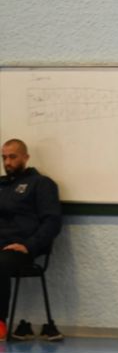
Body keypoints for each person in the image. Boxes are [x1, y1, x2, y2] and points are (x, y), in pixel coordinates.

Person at [0, 139, 63, 342]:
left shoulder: (41, 184)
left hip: (20, 248)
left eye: (12, 157)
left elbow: (52, 222)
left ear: (25, 157)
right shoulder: (2, 185)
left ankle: (0, 323)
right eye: (4, 158)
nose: (7, 162)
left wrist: (29, 245)